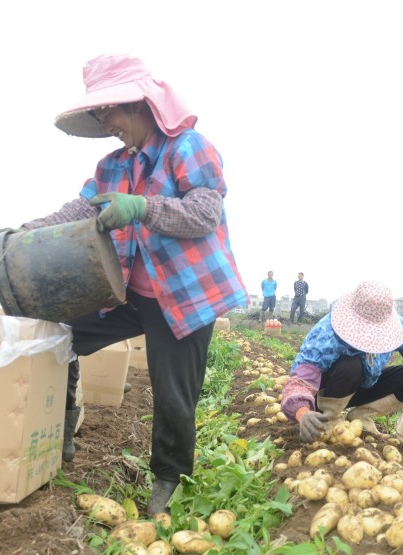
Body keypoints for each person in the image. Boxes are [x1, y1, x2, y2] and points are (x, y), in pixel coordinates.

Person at [20, 53, 248, 517]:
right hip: (126, 292)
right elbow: (80, 209)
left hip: (182, 295)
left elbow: (206, 214)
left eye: (112, 113)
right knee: (57, 333)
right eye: (101, 116)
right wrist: (27, 232)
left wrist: (143, 207)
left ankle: (169, 478)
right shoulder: (112, 165)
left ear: (140, 104)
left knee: (173, 394)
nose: (109, 124)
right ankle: (60, 427)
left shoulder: (189, 147)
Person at [280, 280, 403, 440]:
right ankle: (329, 420)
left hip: (363, 386)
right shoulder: (326, 332)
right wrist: (302, 412)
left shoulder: (398, 327)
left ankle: (361, 416)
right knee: (350, 365)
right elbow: (301, 379)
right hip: (327, 393)